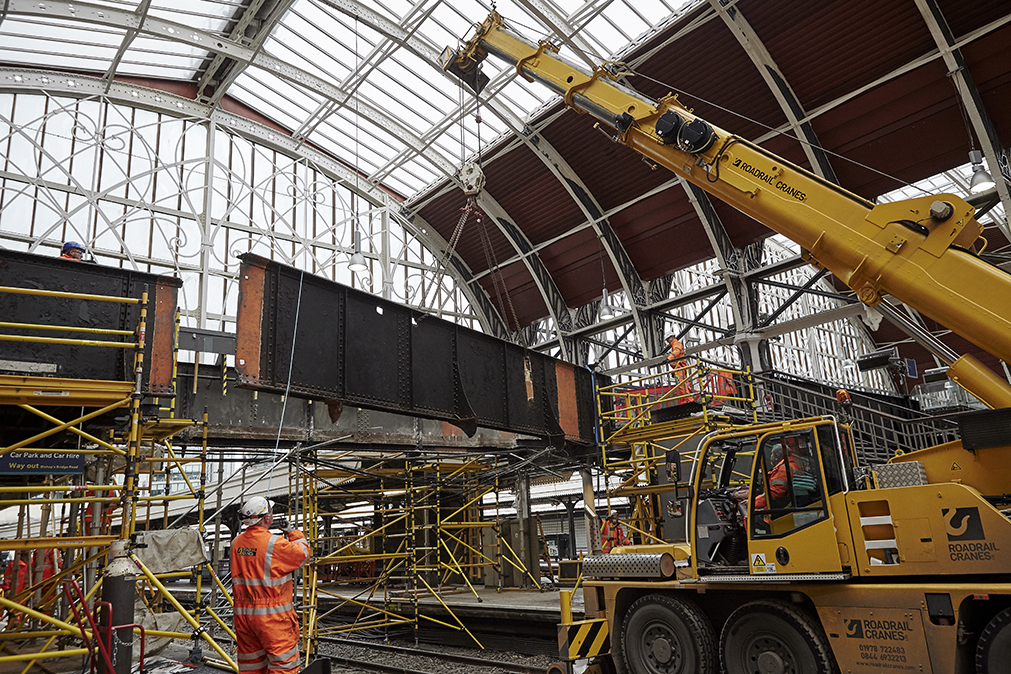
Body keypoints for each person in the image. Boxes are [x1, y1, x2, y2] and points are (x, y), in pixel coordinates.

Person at [231, 497, 311, 674]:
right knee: (283, 665)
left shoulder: (235, 544)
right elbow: (303, 553)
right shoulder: (275, 544)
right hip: (272, 616)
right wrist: (293, 532)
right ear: (266, 518)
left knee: (251, 665)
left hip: (243, 615)